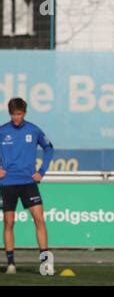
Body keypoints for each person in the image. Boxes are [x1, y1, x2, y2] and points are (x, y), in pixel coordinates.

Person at [0, 98, 54, 275]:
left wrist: (42, 171)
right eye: (14, 114)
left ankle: (45, 263)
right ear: (10, 114)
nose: (17, 117)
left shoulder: (33, 129)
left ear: (25, 113)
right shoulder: (2, 131)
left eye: (20, 114)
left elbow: (49, 148)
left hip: (28, 183)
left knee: (39, 219)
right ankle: (10, 264)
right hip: (8, 183)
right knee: (9, 222)